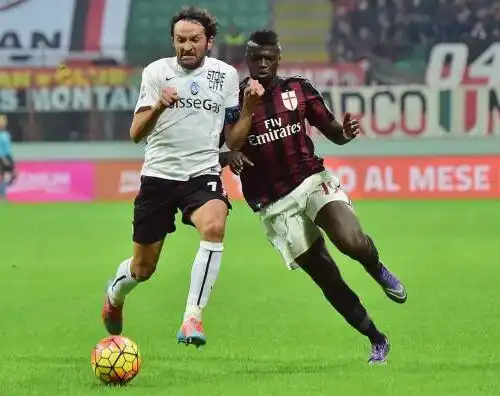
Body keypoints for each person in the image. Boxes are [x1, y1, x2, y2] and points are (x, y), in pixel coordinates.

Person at [223, 30, 407, 364]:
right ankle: (377, 339)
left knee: (350, 240)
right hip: (274, 204)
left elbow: (334, 132)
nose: (263, 64)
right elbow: (230, 145)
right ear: (247, 61)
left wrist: (346, 133)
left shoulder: (299, 89)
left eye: (269, 57)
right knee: (327, 277)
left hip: (310, 179)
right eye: (256, 58)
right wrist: (238, 133)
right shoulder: (233, 100)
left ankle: (376, 268)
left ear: (278, 58)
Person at [101, 6, 242, 348]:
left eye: (194, 40)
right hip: (159, 177)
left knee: (215, 225)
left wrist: (243, 123)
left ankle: (192, 317)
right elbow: (136, 133)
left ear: (209, 42)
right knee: (143, 269)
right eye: (180, 40)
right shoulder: (156, 73)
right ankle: (115, 295)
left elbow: (232, 134)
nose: (187, 46)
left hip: (201, 174)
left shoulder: (226, 76)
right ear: (173, 41)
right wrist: (160, 105)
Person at [0, 115, 15, 201]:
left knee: (4, 175)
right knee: (7, 175)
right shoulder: (5, 135)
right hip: (4, 157)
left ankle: (2, 193)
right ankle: (2, 194)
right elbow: (7, 149)